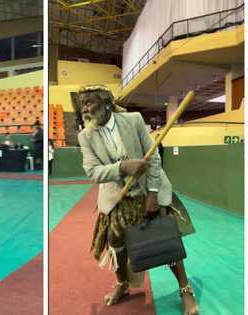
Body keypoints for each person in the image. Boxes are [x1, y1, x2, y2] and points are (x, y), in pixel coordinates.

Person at [76, 85, 198, 314]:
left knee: (164, 240)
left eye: (90, 102)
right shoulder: (85, 136)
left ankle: (185, 289)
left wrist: (152, 193)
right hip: (116, 199)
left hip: (147, 192)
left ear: (106, 104)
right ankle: (122, 283)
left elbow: (153, 159)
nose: (85, 108)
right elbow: (93, 172)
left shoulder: (133, 120)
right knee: (115, 242)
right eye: (83, 103)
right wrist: (122, 167)